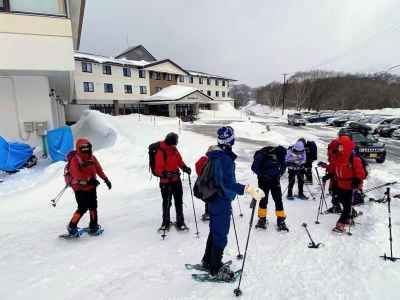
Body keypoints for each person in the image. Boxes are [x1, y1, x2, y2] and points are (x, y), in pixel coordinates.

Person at [201, 126, 264, 281]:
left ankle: (208, 260)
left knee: (215, 231)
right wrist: (249, 189)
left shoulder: (215, 154)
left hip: (213, 198)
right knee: (221, 234)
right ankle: (215, 268)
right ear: (231, 140)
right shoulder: (224, 159)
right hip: (220, 199)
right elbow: (227, 183)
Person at [66, 138, 112, 236]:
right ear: (79, 148)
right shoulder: (75, 160)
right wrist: (89, 180)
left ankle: (93, 225)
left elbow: (99, 170)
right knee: (82, 207)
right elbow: (77, 174)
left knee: (93, 206)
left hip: (91, 186)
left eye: (87, 147)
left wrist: (106, 179)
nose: (85, 149)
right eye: (83, 147)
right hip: (79, 188)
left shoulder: (92, 158)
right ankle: (72, 226)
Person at [155, 132, 191, 231]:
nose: (176, 143)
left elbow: (179, 161)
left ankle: (180, 221)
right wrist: (165, 174)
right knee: (167, 202)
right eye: (176, 141)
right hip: (165, 182)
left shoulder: (174, 149)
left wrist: (184, 168)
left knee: (179, 201)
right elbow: (158, 168)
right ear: (171, 141)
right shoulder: (161, 151)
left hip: (176, 180)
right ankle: (165, 222)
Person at [329, 135, 366, 232]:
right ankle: (348, 218)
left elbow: (361, 173)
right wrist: (329, 174)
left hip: (350, 186)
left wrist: (357, 180)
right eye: (339, 146)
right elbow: (333, 168)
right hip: (340, 184)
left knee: (347, 206)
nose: (339, 148)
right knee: (343, 203)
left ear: (347, 146)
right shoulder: (337, 157)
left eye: (341, 146)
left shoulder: (354, 159)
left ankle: (340, 224)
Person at [251, 145, 289, 231]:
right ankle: (262, 219)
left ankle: (281, 219)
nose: (281, 159)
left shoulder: (281, 155)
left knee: (278, 199)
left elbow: (283, 165)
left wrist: (279, 174)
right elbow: (254, 167)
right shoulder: (264, 154)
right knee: (263, 200)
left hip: (275, 179)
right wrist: (262, 175)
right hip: (263, 180)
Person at [322, 138, 342, 214]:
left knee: (337, 193)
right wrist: (326, 166)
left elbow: (336, 167)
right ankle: (336, 207)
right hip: (335, 177)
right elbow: (333, 166)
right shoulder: (334, 152)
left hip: (339, 178)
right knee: (334, 192)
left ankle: (343, 209)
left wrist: (329, 174)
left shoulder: (337, 154)